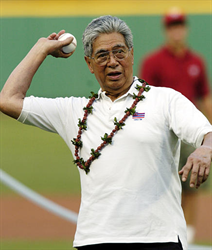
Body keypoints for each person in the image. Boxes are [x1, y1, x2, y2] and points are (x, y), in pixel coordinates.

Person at [0, 15, 212, 250]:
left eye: (119, 52)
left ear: (131, 54)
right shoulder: (74, 111)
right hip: (95, 240)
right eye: (102, 55)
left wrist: (205, 149)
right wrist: (40, 49)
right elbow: (8, 100)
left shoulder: (164, 100)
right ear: (89, 64)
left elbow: (207, 133)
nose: (112, 61)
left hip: (157, 239)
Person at [138, 7, 212, 243]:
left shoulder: (196, 62)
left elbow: (204, 97)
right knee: (161, 187)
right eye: (172, 26)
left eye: (179, 25)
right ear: (166, 30)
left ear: (185, 28)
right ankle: (160, 236)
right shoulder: (153, 62)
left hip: (190, 134)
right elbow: (143, 99)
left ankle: (186, 239)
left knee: (192, 186)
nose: (176, 30)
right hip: (162, 133)